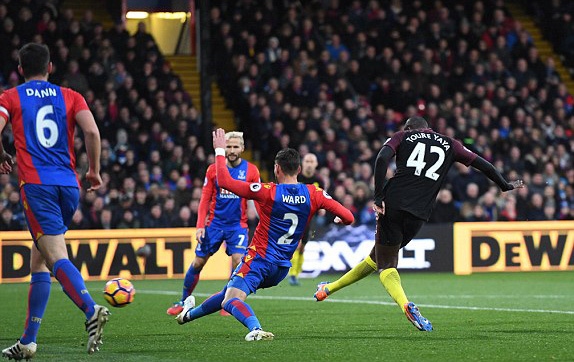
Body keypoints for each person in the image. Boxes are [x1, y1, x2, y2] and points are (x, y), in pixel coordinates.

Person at [314, 116, 524, 332]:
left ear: (409, 128)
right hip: (420, 213)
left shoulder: (402, 136)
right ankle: (328, 289)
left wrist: (378, 197)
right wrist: (504, 184)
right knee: (377, 257)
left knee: (386, 265)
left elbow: (381, 159)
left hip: (393, 204)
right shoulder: (451, 144)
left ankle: (406, 305)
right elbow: (482, 164)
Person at [175, 128, 354, 340]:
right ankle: (187, 315)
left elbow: (223, 181)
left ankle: (255, 329)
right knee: (228, 291)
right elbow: (349, 216)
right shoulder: (313, 193)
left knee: (230, 301)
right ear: (298, 169)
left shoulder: (268, 191)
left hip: (258, 260)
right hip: (280, 269)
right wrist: (341, 220)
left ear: (277, 169)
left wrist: (220, 151)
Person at [0, 43, 109, 360]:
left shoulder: (10, 97)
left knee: (55, 255)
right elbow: (91, 131)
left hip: (37, 186)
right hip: (68, 187)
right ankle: (28, 341)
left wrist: (3, 154)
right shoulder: (70, 96)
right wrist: (94, 171)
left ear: (21, 70)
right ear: (50, 68)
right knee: (39, 260)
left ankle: (91, 310)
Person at [167, 131, 261, 315]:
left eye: (235, 147)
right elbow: (205, 198)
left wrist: (263, 220)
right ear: (222, 148)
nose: (232, 150)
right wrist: (200, 226)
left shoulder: (252, 171)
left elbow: (258, 199)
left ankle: (229, 301)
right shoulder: (213, 169)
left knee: (237, 260)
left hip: (237, 226)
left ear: (242, 148)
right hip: (214, 225)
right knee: (198, 262)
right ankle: (183, 300)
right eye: (228, 146)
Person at [288, 152, 324, 285]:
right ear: (302, 164)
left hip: (309, 217)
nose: (309, 164)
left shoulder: (319, 181)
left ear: (316, 164)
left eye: (311, 161)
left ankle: (296, 273)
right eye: (307, 161)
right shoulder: (296, 177)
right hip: (295, 216)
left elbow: (322, 197)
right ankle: (292, 275)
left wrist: (322, 209)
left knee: (303, 246)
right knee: (296, 245)